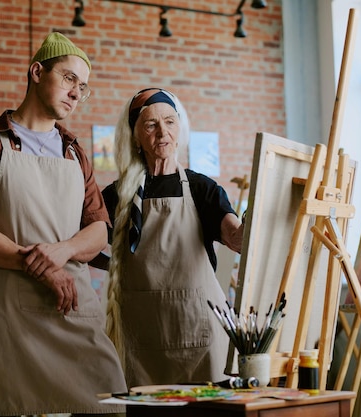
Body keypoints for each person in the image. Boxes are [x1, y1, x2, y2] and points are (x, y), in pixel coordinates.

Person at [0, 32, 126, 416]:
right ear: (37, 72)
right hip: (6, 316)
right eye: (69, 78)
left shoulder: (75, 153)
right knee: (9, 406)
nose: (76, 93)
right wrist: (37, 265)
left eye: (83, 87)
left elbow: (99, 230)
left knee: (111, 403)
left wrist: (61, 252)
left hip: (68, 306)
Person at [101, 87, 244, 388]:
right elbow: (86, 244)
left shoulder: (203, 189)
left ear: (180, 128)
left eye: (169, 121)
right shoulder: (117, 196)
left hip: (200, 337)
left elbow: (234, 236)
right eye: (151, 124)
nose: (162, 132)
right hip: (140, 340)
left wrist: (254, 224)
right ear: (135, 135)